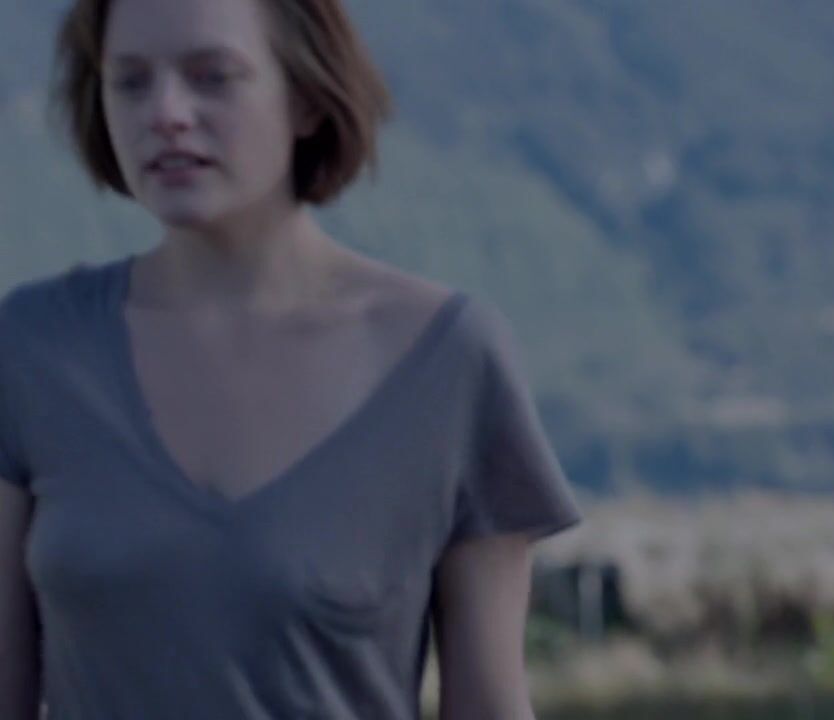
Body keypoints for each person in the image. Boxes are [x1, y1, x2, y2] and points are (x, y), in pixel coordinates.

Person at [0, 0, 584, 717]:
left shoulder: (449, 361)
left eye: (211, 76)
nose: (166, 113)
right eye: (130, 80)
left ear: (306, 98)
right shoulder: (34, 349)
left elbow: (490, 705)